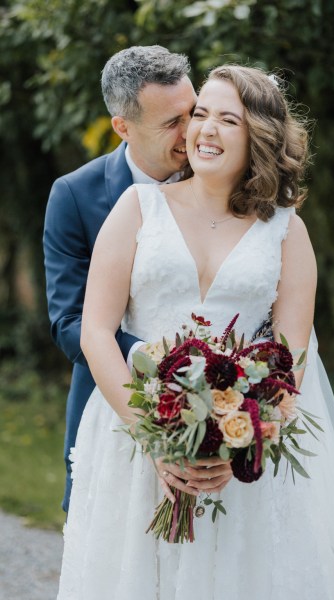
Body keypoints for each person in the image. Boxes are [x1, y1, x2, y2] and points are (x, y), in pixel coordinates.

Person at [57, 65, 334, 599]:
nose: (205, 129)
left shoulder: (287, 230)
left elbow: (291, 359)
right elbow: (96, 332)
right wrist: (154, 439)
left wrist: (238, 443)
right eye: (200, 114)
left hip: (242, 461)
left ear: (258, 135)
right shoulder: (137, 208)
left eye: (227, 119)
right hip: (134, 436)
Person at [43, 45, 197, 512]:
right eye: (172, 123)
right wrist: (155, 360)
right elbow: (68, 321)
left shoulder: (223, 179)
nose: (193, 133)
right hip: (111, 410)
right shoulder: (74, 195)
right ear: (123, 127)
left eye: (195, 111)